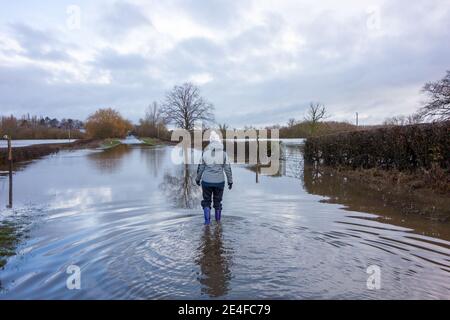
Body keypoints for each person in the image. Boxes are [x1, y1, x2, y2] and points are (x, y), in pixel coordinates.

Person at [196, 131, 233, 225]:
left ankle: (207, 223)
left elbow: (200, 168)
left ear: (210, 142)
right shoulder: (224, 154)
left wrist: (197, 179)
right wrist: (230, 181)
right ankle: (218, 224)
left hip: (206, 182)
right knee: (217, 203)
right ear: (219, 142)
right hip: (219, 182)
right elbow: (227, 168)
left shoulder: (205, 153)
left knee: (206, 202)